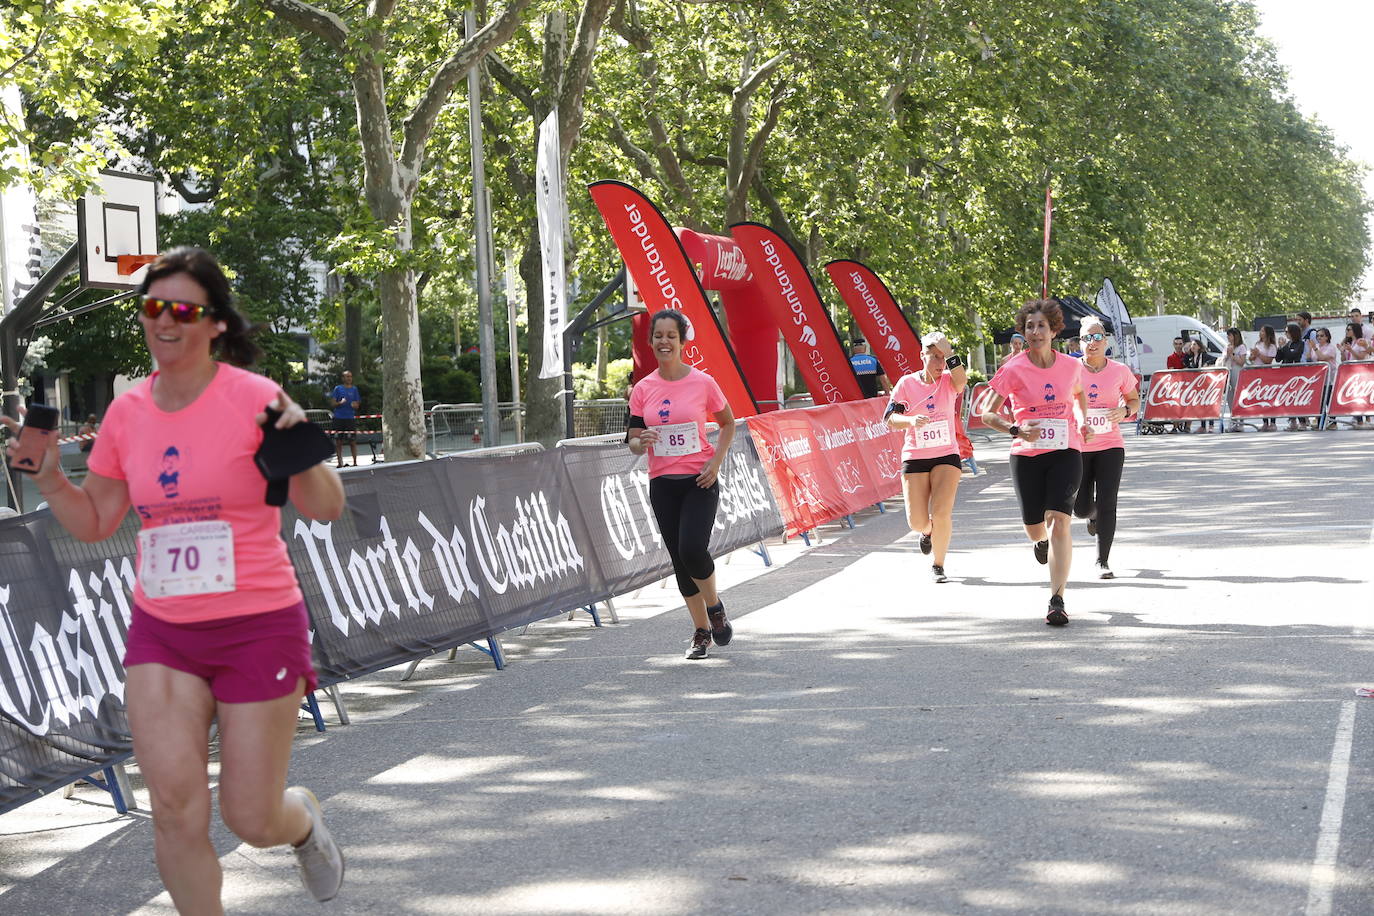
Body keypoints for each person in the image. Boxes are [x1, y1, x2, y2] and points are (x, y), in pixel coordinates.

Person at [1, 248, 348, 911]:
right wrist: (49, 477)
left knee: (251, 816)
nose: (164, 322)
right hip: (164, 631)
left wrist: (301, 451)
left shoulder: (256, 398)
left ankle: (298, 818)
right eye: (153, 307)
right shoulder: (129, 411)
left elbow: (326, 506)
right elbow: (99, 519)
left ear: (215, 324)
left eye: (182, 310)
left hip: (257, 626)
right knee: (173, 810)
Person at [627, 309, 736, 660]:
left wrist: (715, 463)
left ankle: (715, 607)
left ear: (682, 341)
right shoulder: (643, 389)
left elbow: (728, 424)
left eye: (670, 336)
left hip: (699, 481)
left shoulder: (703, 382)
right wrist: (640, 441)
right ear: (651, 342)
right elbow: (630, 438)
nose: (664, 342)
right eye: (658, 336)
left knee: (692, 549)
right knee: (679, 560)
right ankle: (701, 631)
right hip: (663, 484)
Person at [982, 299, 1095, 625]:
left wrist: (1082, 420)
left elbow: (1078, 396)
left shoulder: (1071, 366)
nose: (1034, 332)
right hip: (1026, 454)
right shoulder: (1013, 368)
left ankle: (1057, 598)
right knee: (1035, 527)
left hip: (1066, 451)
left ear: (1054, 330)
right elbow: (986, 412)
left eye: (1041, 326)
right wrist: (1015, 428)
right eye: (1029, 326)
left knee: (1061, 519)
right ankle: (1040, 542)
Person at [884, 330, 967, 583]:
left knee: (942, 513)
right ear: (922, 356)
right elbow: (890, 419)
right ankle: (928, 532)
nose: (940, 364)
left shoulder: (949, 381)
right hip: (916, 455)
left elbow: (962, 381)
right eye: (934, 357)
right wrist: (910, 420)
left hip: (946, 454)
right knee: (917, 521)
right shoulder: (906, 384)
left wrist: (950, 352)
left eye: (943, 358)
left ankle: (938, 564)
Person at [1074, 318, 1140, 579]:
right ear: (1079, 342)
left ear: (1106, 340)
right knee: (1079, 507)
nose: (1092, 343)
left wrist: (1124, 410)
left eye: (1097, 337)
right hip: (1078, 446)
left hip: (1110, 446)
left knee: (1108, 501)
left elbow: (1134, 401)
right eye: (1086, 338)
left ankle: (1103, 560)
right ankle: (1092, 516)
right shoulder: (1069, 369)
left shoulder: (1120, 370)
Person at [1307, 328, 1341, 429]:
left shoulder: (1330, 347)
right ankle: (1320, 422)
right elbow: (1309, 358)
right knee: (1320, 401)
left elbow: (1322, 358)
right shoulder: (1315, 346)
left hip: (1329, 378)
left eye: (1322, 336)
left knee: (1328, 401)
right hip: (1318, 378)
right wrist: (1310, 348)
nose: (1319, 338)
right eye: (1318, 336)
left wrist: (1315, 349)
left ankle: (1332, 422)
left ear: (1327, 337)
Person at [1249, 325, 1279, 430]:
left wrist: (1258, 354)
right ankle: (1265, 421)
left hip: (1267, 373)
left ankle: (1273, 422)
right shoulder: (1258, 344)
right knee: (1261, 398)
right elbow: (1252, 358)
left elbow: (1268, 361)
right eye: (1260, 331)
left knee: (1270, 398)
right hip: (1257, 373)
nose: (1260, 333)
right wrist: (1252, 356)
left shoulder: (1271, 346)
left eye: (1263, 331)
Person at [330, 370, 361, 467]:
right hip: (339, 418)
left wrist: (355, 405)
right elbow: (333, 403)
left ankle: (355, 462)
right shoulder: (338, 389)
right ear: (343, 378)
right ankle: (340, 463)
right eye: (347, 377)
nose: (349, 378)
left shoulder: (354, 389)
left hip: (350, 418)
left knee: (352, 441)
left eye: (350, 376)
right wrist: (340, 403)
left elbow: (357, 404)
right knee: (339, 441)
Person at [1220, 328, 1248, 431]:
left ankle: (1240, 422)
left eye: (1230, 336)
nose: (1228, 338)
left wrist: (1232, 355)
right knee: (1230, 397)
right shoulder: (1226, 347)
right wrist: (1227, 354)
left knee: (1238, 395)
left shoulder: (1241, 347)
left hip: (1237, 371)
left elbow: (1241, 362)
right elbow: (1223, 360)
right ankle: (1233, 420)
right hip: (1229, 371)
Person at [1184, 338, 1215, 431]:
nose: (1192, 346)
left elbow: (1215, 359)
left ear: (1199, 346)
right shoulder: (1190, 357)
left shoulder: (1204, 355)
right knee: (1201, 404)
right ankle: (1202, 425)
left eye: (1194, 345)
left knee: (1208, 404)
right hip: (1197, 383)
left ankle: (1211, 425)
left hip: (1206, 382)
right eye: (1192, 345)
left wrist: (1206, 364)